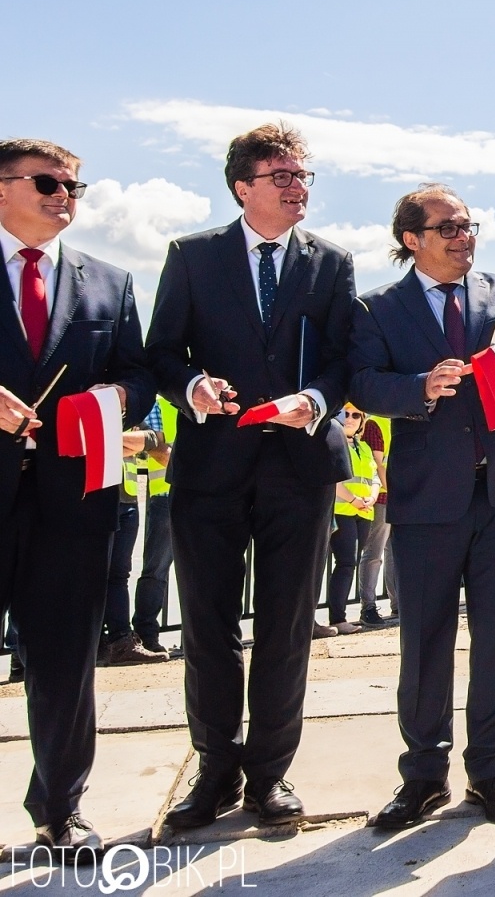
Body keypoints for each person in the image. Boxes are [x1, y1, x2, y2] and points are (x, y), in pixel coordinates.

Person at [146, 122, 356, 830]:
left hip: (299, 469)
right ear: (244, 187)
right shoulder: (192, 256)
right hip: (211, 468)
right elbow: (160, 353)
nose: (299, 188)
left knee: (286, 626)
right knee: (206, 626)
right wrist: (192, 386)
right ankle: (214, 770)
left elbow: (342, 357)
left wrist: (317, 400)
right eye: (284, 177)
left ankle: (270, 774)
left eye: (304, 177)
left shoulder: (331, 262)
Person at [349, 185, 495, 829]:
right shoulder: (377, 308)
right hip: (425, 498)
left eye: (469, 225)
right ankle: (423, 776)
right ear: (412, 239)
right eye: (448, 228)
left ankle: (490, 774)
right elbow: (362, 382)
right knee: (425, 640)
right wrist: (420, 387)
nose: (464, 236)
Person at [0, 138, 156, 856]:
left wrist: (114, 397)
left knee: (65, 662)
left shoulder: (111, 282)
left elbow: (139, 375)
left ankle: (60, 808)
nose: (65, 194)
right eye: (48, 182)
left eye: (74, 186)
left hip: (74, 501)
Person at [102, 399, 175, 665]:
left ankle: (139, 635)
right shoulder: (145, 399)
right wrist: (151, 442)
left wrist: (145, 442)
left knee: (145, 570)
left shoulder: (165, 399)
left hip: (151, 491)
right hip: (145, 488)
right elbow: (157, 449)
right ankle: (117, 639)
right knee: (113, 571)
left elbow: (155, 442)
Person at [316, 405, 377, 637]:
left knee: (349, 563)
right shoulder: (334, 441)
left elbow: (373, 478)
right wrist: (353, 500)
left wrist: (371, 497)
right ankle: (337, 618)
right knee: (344, 562)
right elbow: (335, 479)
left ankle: (338, 617)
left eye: (356, 415)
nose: (350, 419)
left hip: (364, 512)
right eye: (346, 414)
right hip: (343, 510)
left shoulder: (364, 447)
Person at [131, 395, 180, 653]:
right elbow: (156, 449)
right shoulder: (157, 403)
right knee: (156, 570)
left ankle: (195, 635)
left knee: (203, 570)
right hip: (167, 495)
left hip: (200, 494)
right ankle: (146, 632)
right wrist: (195, 467)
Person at [357, 413, 396, 626]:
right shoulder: (375, 423)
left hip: (394, 496)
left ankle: (397, 604)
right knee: (375, 553)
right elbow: (378, 463)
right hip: (383, 497)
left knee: (393, 552)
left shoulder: (392, 421)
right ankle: (368, 607)